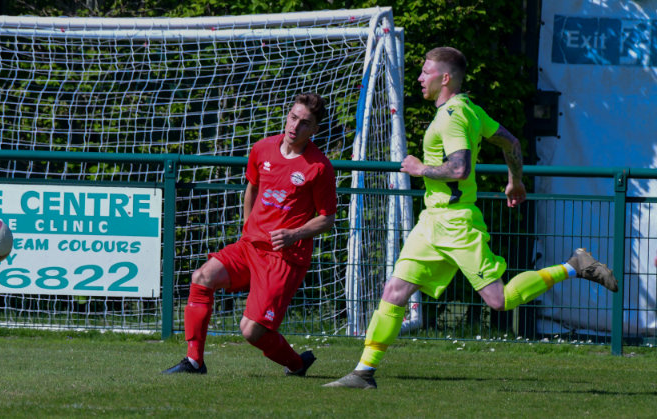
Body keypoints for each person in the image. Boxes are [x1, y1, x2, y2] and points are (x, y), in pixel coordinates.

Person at [325, 47, 618, 389]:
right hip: (431, 222)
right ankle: (363, 372)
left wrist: (420, 168)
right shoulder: (470, 109)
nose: (420, 77)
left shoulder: (453, 116)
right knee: (394, 289)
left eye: (425, 72)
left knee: (499, 300)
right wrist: (515, 180)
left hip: (457, 224)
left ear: (445, 78)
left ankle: (574, 265)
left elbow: (460, 168)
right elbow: (510, 142)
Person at [162, 93, 338, 376]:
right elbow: (252, 188)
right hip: (250, 246)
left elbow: (327, 218)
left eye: (304, 123)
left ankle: (296, 364)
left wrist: (295, 234)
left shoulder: (319, 167)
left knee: (251, 331)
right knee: (201, 278)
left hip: (284, 257)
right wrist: (247, 226)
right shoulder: (262, 149)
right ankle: (194, 362)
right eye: (293, 117)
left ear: (315, 129)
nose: (295, 126)